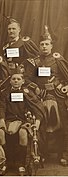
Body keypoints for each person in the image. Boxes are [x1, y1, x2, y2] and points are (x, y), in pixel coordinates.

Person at [30, 26, 68, 166]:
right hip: (41, 97)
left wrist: (62, 86)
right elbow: (28, 80)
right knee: (41, 126)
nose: (44, 46)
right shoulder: (35, 61)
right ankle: (42, 154)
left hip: (58, 96)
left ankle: (63, 155)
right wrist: (36, 89)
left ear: (52, 46)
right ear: (39, 46)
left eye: (47, 44)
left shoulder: (57, 59)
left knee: (63, 125)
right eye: (42, 44)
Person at [0, 72, 45, 175]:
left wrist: (37, 122)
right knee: (0, 133)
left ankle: (21, 164)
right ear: (10, 81)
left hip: (23, 121)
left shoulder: (27, 93)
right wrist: (1, 121)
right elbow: (1, 108)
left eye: (18, 79)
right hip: (8, 120)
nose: (16, 81)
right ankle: (6, 162)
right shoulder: (5, 93)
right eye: (14, 79)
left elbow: (37, 108)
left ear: (23, 81)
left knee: (23, 133)